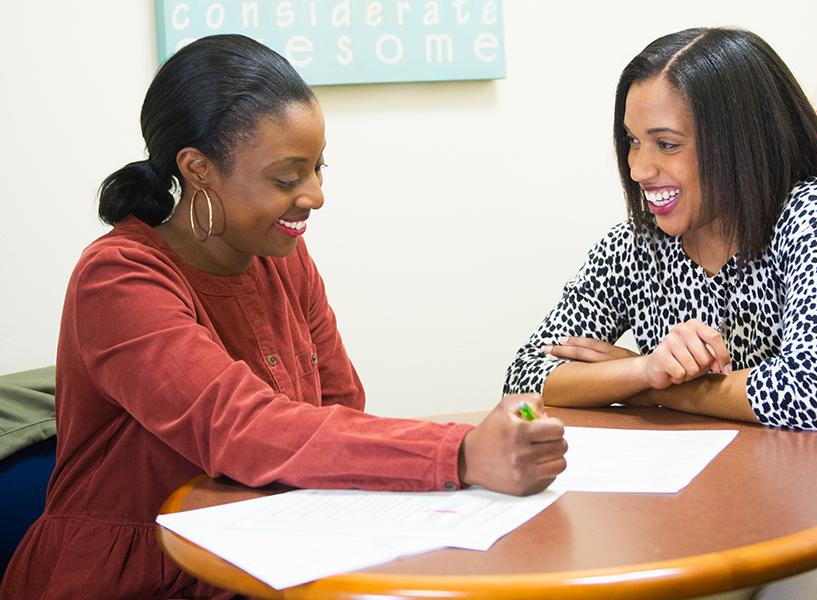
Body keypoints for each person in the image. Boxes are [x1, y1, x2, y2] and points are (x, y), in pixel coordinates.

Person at [0, 34, 566, 600]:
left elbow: (340, 407)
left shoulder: (281, 256)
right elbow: (241, 428)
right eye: (287, 179)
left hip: (265, 553)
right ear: (198, 169)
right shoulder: (117, 278)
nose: (315, 195)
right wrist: (462, 453)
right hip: (138, 577)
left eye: (319, 168)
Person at [504, 27, 817, 599]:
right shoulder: (638, 245)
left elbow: (812, 398)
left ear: (739, 142)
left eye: (666, 144)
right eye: (632, 142)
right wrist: (643, 369)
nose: (640, 168)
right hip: (706, 512)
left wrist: (655, 389)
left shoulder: (815, 214)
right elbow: (523, 382)